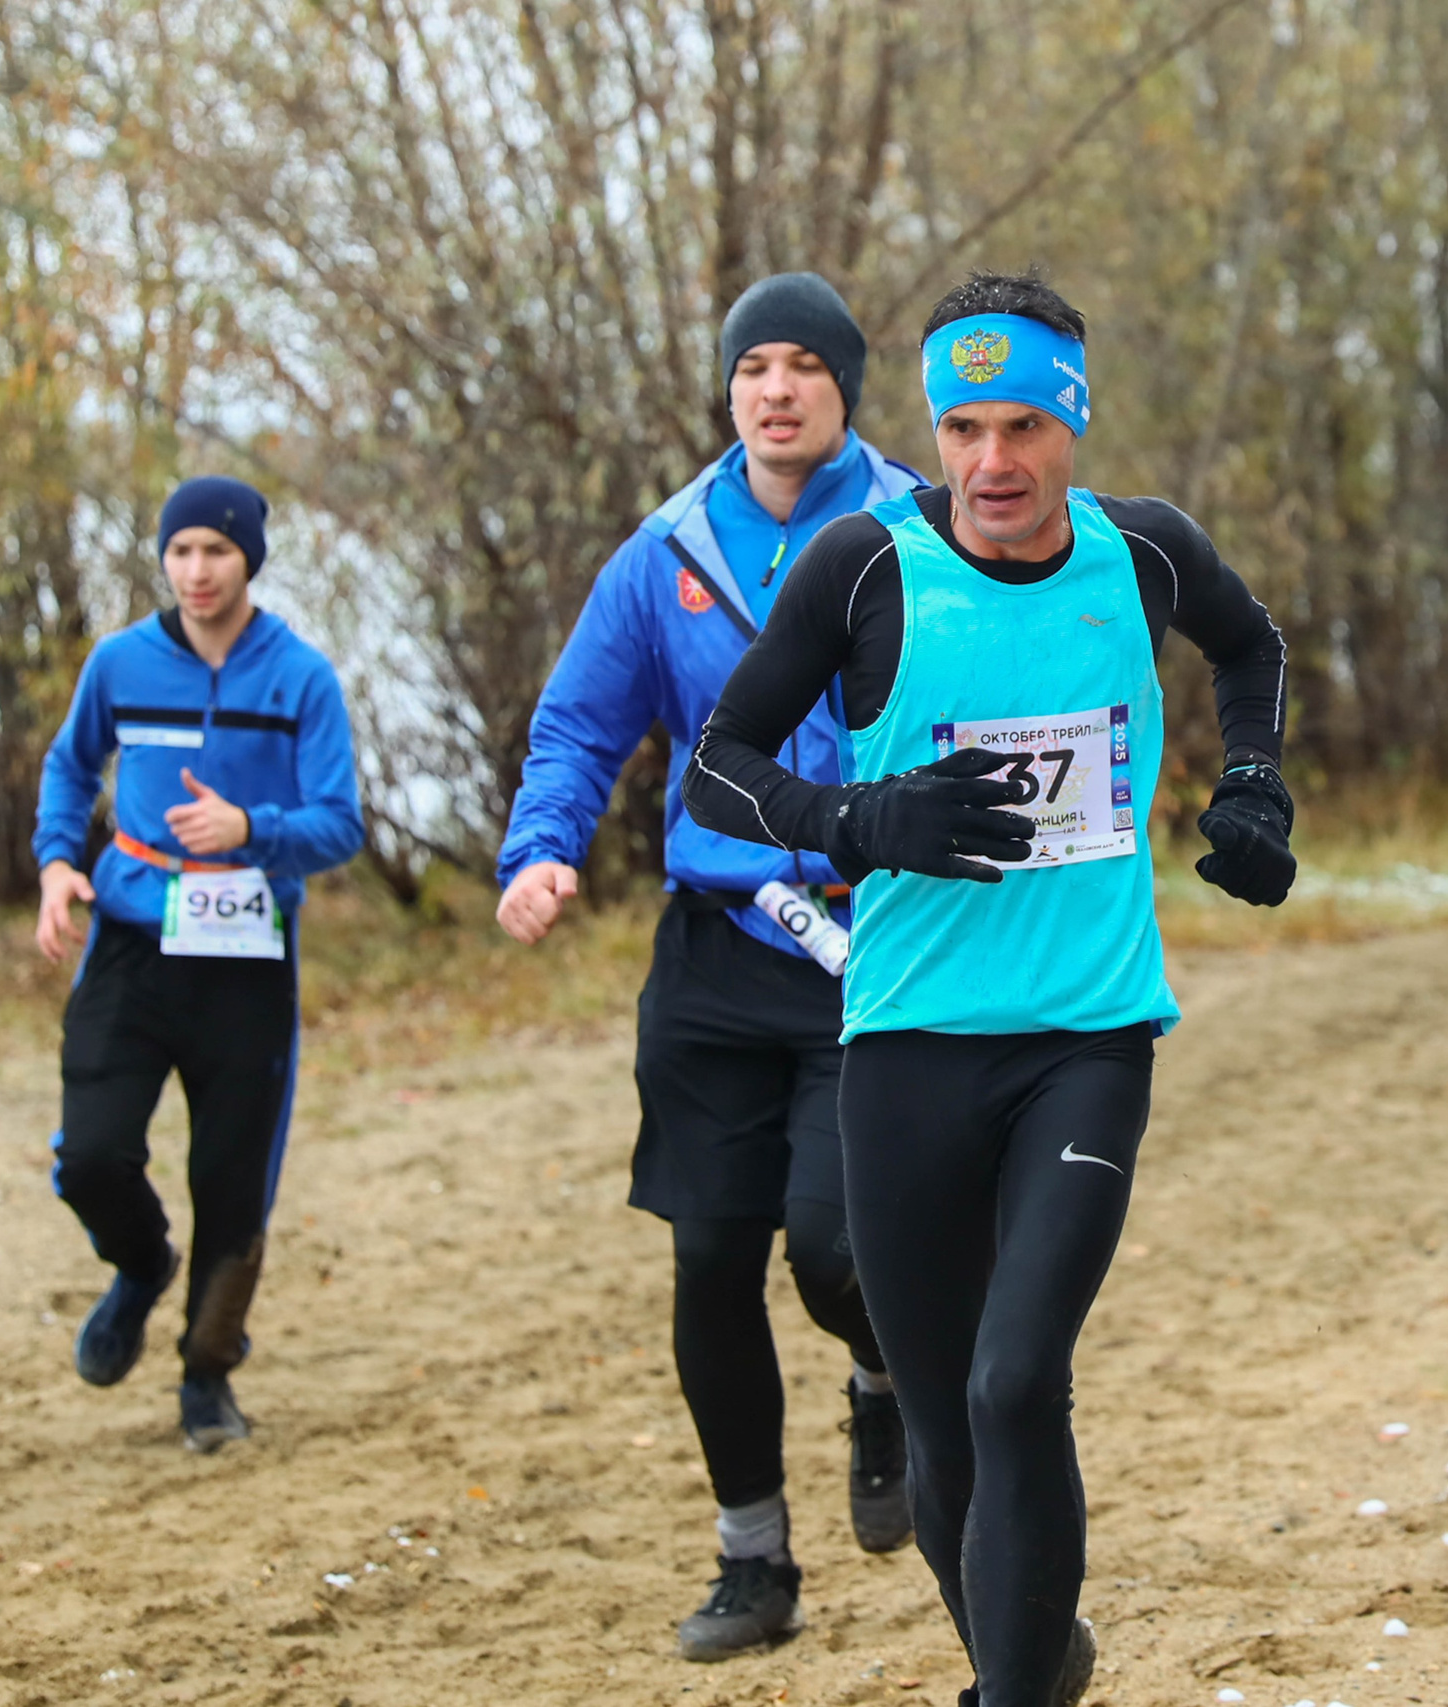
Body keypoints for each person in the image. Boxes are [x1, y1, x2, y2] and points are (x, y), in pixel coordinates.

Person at [680, 272, 1298, 1707]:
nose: (992, 464)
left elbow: (1252, 640)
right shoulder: (865, 567)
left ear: (1073, 422)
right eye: (962, 428)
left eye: (1024, 425)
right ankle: (1029, 1660)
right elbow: (719, 764)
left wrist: (1256, 782)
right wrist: (858, 818)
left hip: (1084, 1040)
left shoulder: (1142, 557)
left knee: (1020, 1379)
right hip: (904, 1048)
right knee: (953, 1424)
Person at [495, 273, 923, 1660]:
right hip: (719, 950)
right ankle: (754, 1556)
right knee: (712, 1258)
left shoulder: (918, 530)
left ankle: (882, 1376)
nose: (777, 388)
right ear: (729, 389)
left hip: (878, 943)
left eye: (805, 363)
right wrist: (540, 848)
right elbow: (578, 720)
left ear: (847, 385)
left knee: (838, 1240)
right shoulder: (667, 551)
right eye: (754, 367)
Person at [31, 475, 364, 1453]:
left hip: (248, 950)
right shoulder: (121, 663)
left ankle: (207, 1375)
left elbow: (339, 823)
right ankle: (140, 1267)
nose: (196, 570)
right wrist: (58, 863)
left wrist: (249, 827)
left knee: (233, 1179)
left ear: (249, 560)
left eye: (216, 552)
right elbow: (68, 765)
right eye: (180, 551)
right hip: (132, 940)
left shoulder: (300, 678)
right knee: (90, 1155)